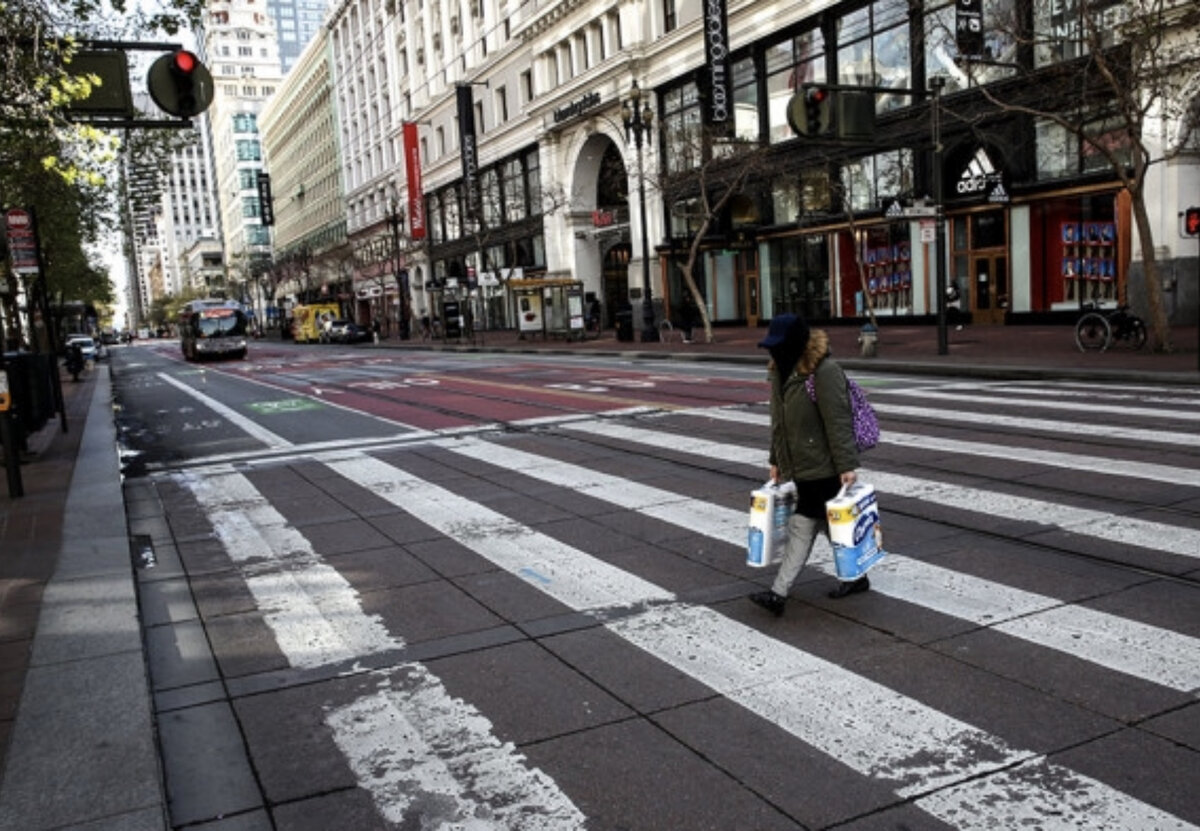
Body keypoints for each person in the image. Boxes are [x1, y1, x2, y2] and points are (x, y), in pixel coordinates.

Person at [750, 313, 866, 617]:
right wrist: (775, 459)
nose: (774, 352)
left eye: (779, 345)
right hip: (800, 464)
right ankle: (857, 576)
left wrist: (846, 465)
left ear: (798, 344)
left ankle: (779, 593)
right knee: (828, 524)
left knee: (803, 524)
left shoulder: (824, 371)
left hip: (823, 465)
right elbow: (778, 423)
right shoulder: (778, 371)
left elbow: (837, 421)